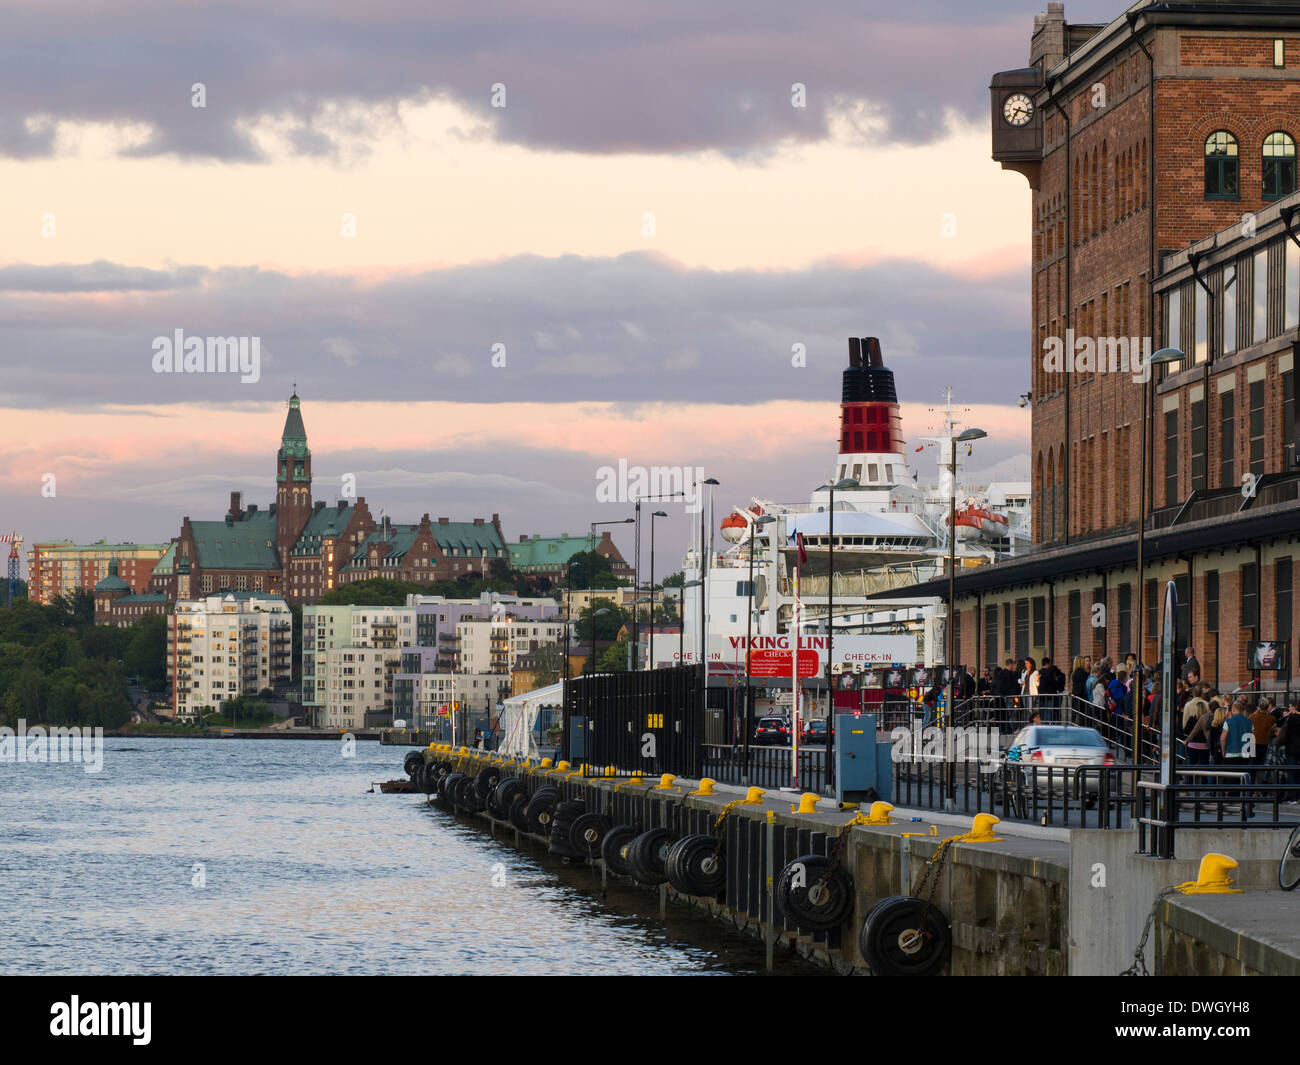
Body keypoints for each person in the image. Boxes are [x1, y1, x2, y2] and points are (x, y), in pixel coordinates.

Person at [1183, 696, 1212, 765]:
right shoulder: (1208, 719)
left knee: (1192, 765)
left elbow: (1186, 731)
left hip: (1192, 744)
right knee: (1204, 765)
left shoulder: (1191, 719)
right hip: (1205, 745)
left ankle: (1191, 776)